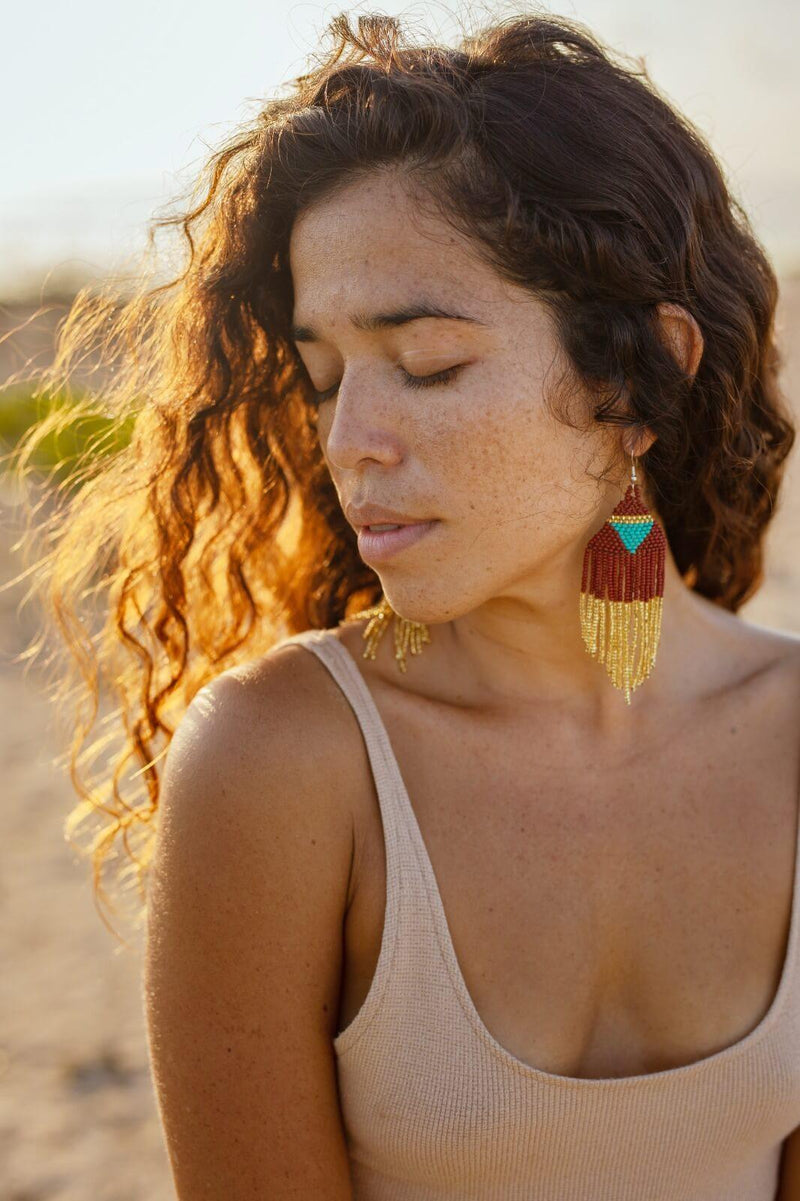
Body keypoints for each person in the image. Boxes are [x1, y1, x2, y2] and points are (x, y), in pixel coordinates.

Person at [14, 9, 800, 1200]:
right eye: (323, 376)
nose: (349, 441)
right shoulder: (282, 766)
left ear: (640, 376)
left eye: (426, 365)